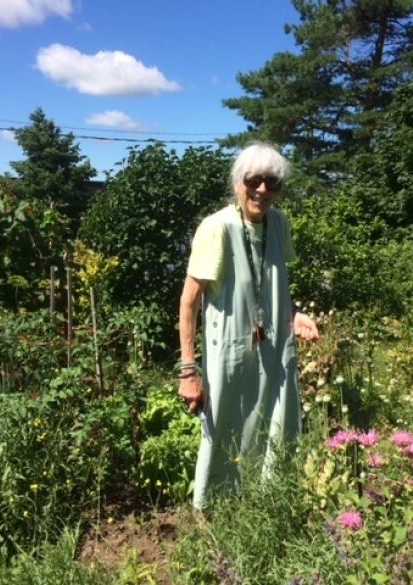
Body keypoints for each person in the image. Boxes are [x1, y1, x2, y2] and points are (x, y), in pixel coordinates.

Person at [177, 142, 319, 509]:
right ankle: (211, 513)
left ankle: (266, 505)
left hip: (273, 347)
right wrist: (189, 369)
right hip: (230, 348)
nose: (262, 190)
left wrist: (295, 313)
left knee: (276, 421)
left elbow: (273, 283)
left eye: (272, 182)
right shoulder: (218, 228)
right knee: (224, 428)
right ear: (238, 182)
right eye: (253, 180)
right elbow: (189, 302)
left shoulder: (279, 223)